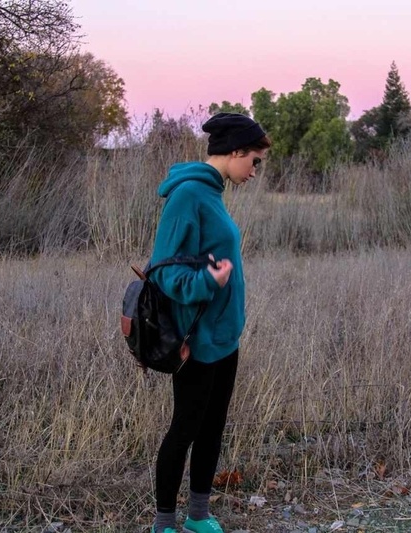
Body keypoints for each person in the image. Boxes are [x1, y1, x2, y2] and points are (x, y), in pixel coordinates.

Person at [147, 112, 271, 533]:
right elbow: (163, 271)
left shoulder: (214, 192)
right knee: (184, 428)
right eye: (255, 160)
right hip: (196, 340)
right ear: (235, 152)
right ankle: (164, 523)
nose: (255, 171)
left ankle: (198, 515)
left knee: (213, 428)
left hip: (224, 338)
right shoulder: (188, 196)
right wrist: (208, 280)